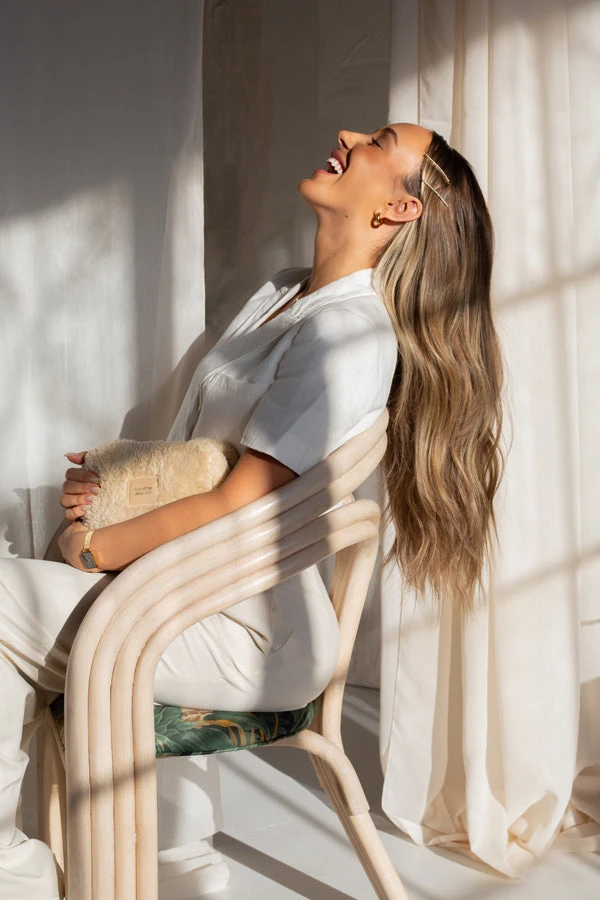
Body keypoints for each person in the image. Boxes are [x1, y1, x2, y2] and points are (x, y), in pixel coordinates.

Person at [0, 123, 503, 898]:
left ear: (399, 209)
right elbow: (204, 458)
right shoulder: (285, 292)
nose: (348, 135)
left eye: (376, 141)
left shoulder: (349, 334)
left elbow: (241, 498)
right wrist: (111, 490)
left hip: (247, 631)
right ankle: (98, 867)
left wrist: (95, 550)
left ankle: (23, 876)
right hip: (181, 591)